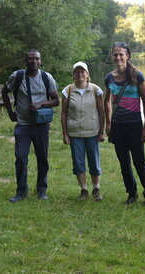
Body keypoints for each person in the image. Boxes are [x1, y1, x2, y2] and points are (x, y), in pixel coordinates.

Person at [2, 49, 59, 202]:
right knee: (20, 157)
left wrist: (41, 104)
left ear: (40, 61)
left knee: (42, 158)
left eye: (37, 59)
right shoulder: (17, 76)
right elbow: (4, 92)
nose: (34, 62)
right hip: (23, 125)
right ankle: (21, 192)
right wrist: (10, 113)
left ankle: (42, 191)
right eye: (30, 59)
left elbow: (56, 100)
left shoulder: (47, 78)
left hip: (41, 125)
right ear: (25, 61)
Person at [104, 42, 145, 206]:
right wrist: (108, 123)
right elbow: (107, 102)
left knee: (139, 162)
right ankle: (131, 194)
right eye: (115, 54)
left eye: (121, 54)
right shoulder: (109, 78)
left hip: (134, 125)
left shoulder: (137, 76)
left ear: (127, 56)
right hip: (117, 126)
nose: (118, 57)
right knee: (124, 164)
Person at [61, 62, 105, 201]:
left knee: (94, 162)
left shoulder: (96, 90)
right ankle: (84, 190)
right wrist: (65, 134)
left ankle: (96, 189)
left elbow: (101, 111)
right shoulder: (67, 91)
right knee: (78, 163)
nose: (80, 74)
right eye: (77, 72)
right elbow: (63, 113)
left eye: (83, 71)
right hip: (74, 133)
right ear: (73, 75)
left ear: (87, 74)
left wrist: (102, 131)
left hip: (92, 131)